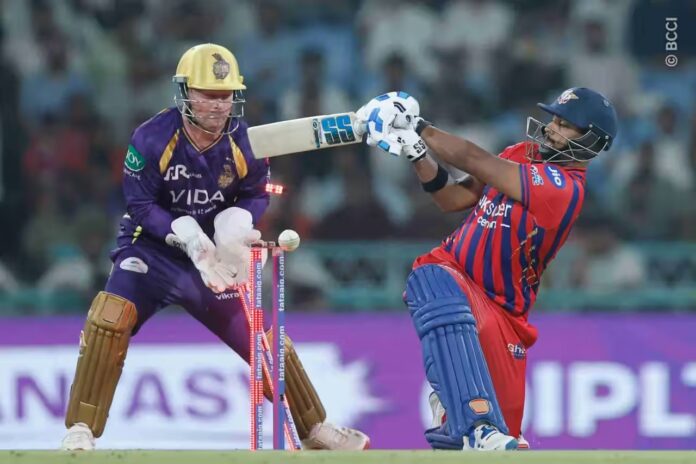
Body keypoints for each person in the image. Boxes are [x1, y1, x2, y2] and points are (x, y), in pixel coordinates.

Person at [61, 43, 369, 451]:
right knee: (109, 318)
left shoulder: (246, 142)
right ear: (185, 92)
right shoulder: (151, 138)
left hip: (213, 264)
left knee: (261, 340)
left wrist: (235, 226)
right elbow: (139, 204)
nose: (219, 105)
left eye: (226, 95)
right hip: (151, 252)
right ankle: (81, 428)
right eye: (208, 94)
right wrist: (185, 236)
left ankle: (314, 428)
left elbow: (257, 194)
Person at [356, 88, 618, 450]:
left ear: (592, 141)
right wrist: (417, 153)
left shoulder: (565, 189)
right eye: (554, 119)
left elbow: (472, 158)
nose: (551, 128)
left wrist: (418, 126)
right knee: (431, 279)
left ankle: (455, 408)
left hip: (504, 312)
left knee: (501, 444)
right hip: (453, 271)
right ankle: (471, 419)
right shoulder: (521, 153)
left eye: (565, 125)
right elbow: (453, 198)